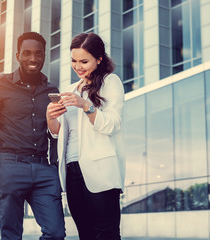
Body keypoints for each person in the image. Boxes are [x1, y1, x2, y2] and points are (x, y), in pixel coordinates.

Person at [0, 32, 66, 240]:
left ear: (44, 56)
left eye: (38, 54)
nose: (33, 59)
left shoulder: (52, 90)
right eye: (27, 53)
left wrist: (54, 166)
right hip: (10, 167)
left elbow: (54, 133)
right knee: (12, 235)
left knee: (56, 233)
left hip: (44, 170)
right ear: (18, 55)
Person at [46, 32, 125, 240]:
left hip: (100, 168)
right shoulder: (71, 89)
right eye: (74, 60)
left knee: (106, 233)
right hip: (72, 170)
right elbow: (60, 134)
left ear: (99, 60)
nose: (78, 66)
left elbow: (112, 124)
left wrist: (85, 105)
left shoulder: (111, 82)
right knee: (85, 234)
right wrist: (51, 120)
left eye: (84, 61)